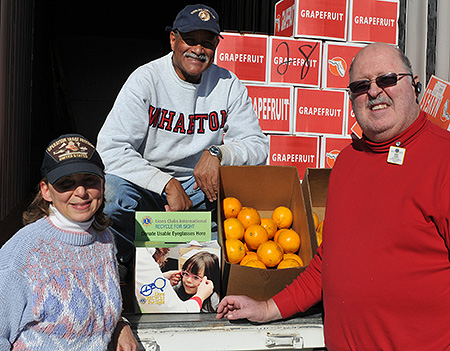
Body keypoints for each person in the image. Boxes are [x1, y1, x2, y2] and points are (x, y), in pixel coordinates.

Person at [217, 42, 450, 351]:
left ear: (415, 85)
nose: (375, 91)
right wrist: (268, 308)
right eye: (361, 85)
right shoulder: (347, 162)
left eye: (387, 79)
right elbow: (329, 262)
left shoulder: (443, 159)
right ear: (351, 98)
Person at [96, 4, 269, 276]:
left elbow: (258, 146)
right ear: (173, 39)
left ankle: (210, 259)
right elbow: (110, 149)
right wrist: (165, 183)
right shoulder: (146, 79)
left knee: (245, 195)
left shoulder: (228, 83)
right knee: (111, 195)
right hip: (147, 187)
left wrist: (219, 153)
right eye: (190, 40)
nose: (198, 50)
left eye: (207, 43)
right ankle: (127, 260)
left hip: (201, 189)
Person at [0, 134, 138, 350]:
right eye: (66, 184)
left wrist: (120, 323)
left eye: (89, 180)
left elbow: (101, 305)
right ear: (46, 191)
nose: (81, 192)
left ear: (103, 183)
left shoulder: (104, 239)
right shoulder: (22, 254)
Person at [135, 247, 214, 312]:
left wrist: (160, 280)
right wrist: (200, 296)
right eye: (186, 274)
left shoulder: (214, 302)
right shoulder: (141, 256)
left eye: (196, 277)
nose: (189, 280)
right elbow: (177, 313)